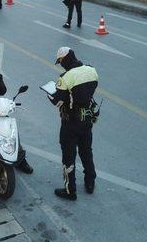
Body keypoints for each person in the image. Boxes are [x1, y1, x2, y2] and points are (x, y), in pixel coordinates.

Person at [49, 47, 99, 201]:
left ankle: (70, 191)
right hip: (87, 119)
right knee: (86, 151)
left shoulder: (65, 78)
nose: (60, 64)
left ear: (64, 59)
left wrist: (50, 94)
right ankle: (90, 183)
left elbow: (58, 101)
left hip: (70, 122)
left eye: (60, 61)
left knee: (68, 156)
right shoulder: (92, 70)